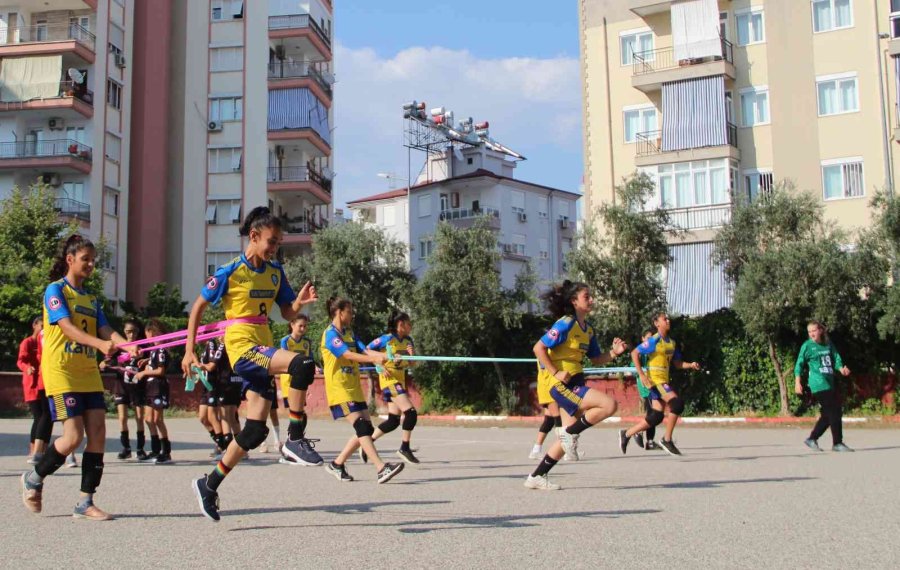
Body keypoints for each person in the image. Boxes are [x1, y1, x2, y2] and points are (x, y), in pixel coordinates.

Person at [181, 206, 318, 521]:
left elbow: (285, 312)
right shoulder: (229, 271)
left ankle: (208, 484)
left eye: (278, 243)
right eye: (271, 241)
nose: (274, 248)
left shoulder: (274, 272)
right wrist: (190, 351)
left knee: (254, 431)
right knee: (303, 365)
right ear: (254, 237)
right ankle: (295, 439)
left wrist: (299, 302)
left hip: (263, 346)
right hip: (243, 349)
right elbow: (198, 308)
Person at [21, 234, 133, 520]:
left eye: (94, 260)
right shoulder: (55, 290)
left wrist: (130, 347)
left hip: (87, 373)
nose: (92, 264)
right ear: (70, 260)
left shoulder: (92, 299)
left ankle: (85, 501)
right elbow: (68, 328)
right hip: (62, 372)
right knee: (72, 438)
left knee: (97, 434)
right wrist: (99, 345)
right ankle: (34, 477)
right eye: (86, 259)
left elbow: (106, 331)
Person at [524, 281, 627, 491]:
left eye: (590, 296)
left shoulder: (588, 330)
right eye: (586, 297)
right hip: (561, 384)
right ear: (574, 301)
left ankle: (536, 476)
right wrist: (555, 372)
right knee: (609, 405)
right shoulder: (565, 324)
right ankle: (571, 434)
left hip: (576, 381)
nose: (591, 300)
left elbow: (597, 358)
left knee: (565, 440)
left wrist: (614, 353)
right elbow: (538, 348)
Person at [321, 296, 405, 484]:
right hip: (339, 388)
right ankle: (381, 468)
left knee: (366, 428)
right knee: (360, 426)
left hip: (354, 387)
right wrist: (374, 360)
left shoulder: (349, 332)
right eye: (349, 311)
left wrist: (387, 356)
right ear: (338, 312)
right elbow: (347, 354)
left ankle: (337, 464)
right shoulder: (330, 334)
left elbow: (365, 351)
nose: (352, 315)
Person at [618, 313, 700, 457]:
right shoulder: (654, 340)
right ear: (657, 323)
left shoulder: (671, 343)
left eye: (668, 319)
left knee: (656, 416)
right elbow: (635, 353)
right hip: (655, 381)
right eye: (664, 319)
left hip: (664, 380)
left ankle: (627, 433)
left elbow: (677, 363)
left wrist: (690, 365)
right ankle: (666, 439)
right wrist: (642, 375)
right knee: (677, 404)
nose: (668, 321)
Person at [359, 310, 420, 464]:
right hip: (389, 380)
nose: (410, 326)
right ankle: (404, 448)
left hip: (400, 380)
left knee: (393, 420)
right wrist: (379, 365)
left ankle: (367, 443)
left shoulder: (408, 341)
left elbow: (412, 364)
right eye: (408, 323)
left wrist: (411, 356)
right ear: (400, 325)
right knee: (411, 412)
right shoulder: (386, 339)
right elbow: (366, 350)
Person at [795, 321, 853, 452]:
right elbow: (799, 364)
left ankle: (812, 439)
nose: (811, 334)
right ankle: (837, 443)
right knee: (834, 410)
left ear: (820, 330)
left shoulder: (827, 343)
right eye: (809, 332)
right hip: (818, 383)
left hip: (829, 382)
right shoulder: (807, 346)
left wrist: (841, 369)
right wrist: (797, 382)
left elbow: (836, 357)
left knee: (829, 413)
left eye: (814, 331)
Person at [279, 314, 324, 466]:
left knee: (301, 415)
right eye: (300, 326)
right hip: (289, 382)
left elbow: (310, 357)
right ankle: (292, 443)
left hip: (302, 381)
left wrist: (316, 367)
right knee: (295, 412)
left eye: (305, 326)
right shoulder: (285, 341)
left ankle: (294, 441)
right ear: (292, 324)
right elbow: (284, 358)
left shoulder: (306, 343)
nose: (303, 329)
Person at [101, 318, 147, 460]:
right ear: (124, 332)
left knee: (139, 418)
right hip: (121, 386)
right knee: (122, 418)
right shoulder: (119, 347)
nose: (131, 335)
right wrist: (103, 364)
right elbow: (105, 360)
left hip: (137, 387)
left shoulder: (143, 348)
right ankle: (125, 447)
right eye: (128, 332)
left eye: (134, 332)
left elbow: (152, 361)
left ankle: (140, 449)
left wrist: (146, 361)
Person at [136, 319, 172, 463]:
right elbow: (154, 364)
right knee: (148, 419)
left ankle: (166, 451)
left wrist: (144, 373)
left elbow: (161, 370)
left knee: (158, 419)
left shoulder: (162, 349)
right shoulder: (154, 351)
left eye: (153, 335)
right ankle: (155, 449)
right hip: (150, 387)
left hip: (158, 386)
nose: (151, 339)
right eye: (148, 337)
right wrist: (147, 362)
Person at [18, 317, 50, 464]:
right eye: (42, 325)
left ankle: (43, 450)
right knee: (39, 416)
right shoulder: (28, 342)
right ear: (34, 326)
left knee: (48, 417)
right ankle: (33, 450)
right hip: (32, 385)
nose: (44, 328)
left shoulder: (46, 341)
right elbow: (20, 360)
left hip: (45, 383)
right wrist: (27, 368)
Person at [630, 327, 660, 451]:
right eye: (647, 338)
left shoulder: (653, 351)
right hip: (646, 387)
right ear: (642, 339)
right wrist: (642, 374)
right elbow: (633, 368)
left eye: (651, 338)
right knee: (652, 414)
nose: (650, 341)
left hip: (655, 384)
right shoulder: (641, 352)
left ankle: (648, 440)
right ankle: (642, 435)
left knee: (654, 413)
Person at [198, 337, 227, 457]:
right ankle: (220, 442)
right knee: (203, 418)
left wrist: (197, 363)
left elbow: (211, 366)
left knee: (212, 417)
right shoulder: (204, 347)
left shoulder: (210, 344)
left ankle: (223, 447)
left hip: (213, 386)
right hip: (206, 387)